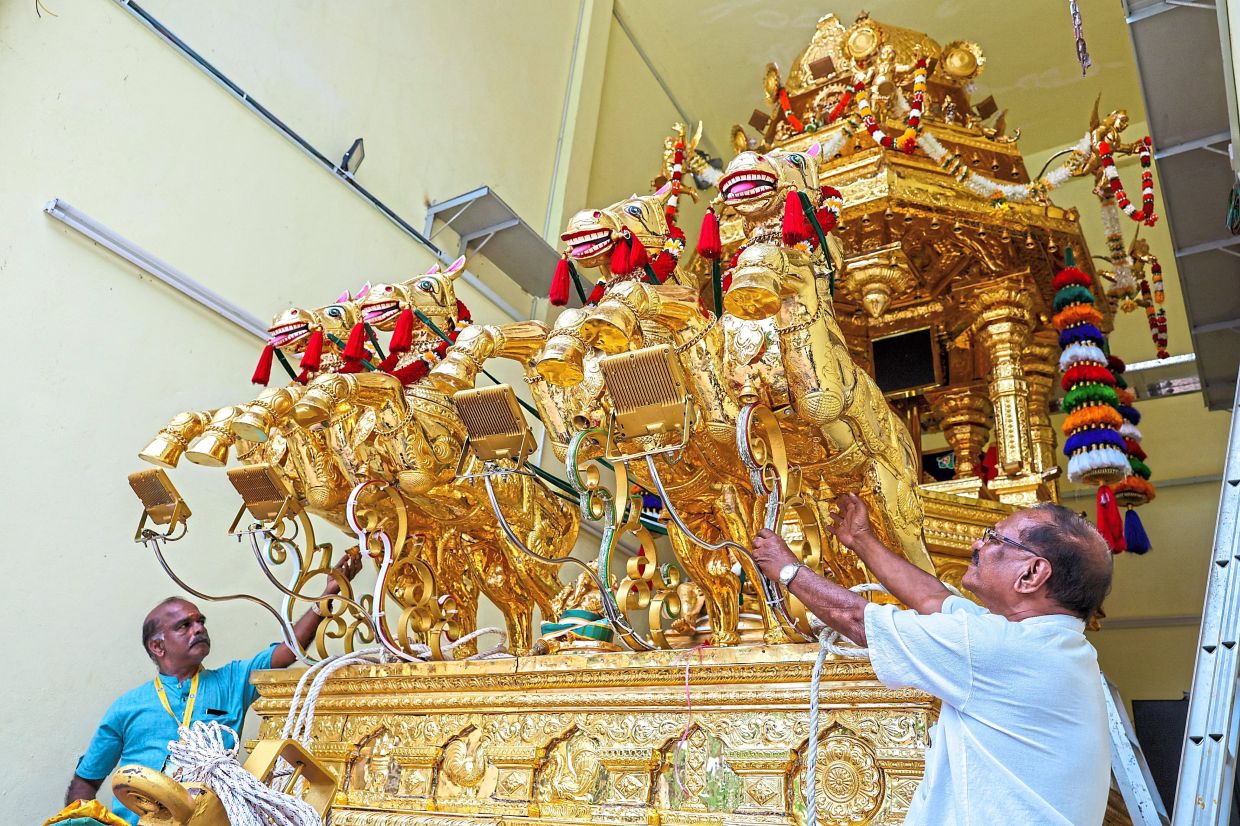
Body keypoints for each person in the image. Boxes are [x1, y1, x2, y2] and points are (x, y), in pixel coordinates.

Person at [750, 493, 1114, 826]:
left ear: (1032, 574)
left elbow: (859, 621)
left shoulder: (1000, 649)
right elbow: (932, 599)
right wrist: (861, 539)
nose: (977, 544)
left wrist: (787, 570)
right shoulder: (1051, 646)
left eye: (993, 538)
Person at [65, 552, 364, 825]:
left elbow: (287, 651)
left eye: (200, 621)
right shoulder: (126, 707)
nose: (199, 628)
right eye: (184, 626)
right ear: (157, 646)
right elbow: (86, 782)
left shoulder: (232, 679)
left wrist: (325, 598)